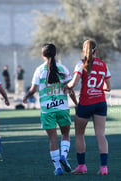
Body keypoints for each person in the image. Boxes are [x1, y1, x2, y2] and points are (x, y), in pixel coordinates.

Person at [23, 43, 77, 176]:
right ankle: (64, 156)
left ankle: (58, 168)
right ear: (56, 54)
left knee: (52, 139)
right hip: (62, 108)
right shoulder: (62, 68)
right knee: (65, 135)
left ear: (42, 55)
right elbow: (70, 89)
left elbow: (33, 89)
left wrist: (26, 97)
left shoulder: (39, 70)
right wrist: (76, 103)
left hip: (47, 110)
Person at [66, 40, 111, 175]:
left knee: (79, 134)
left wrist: (65, 85)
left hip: (85, 103)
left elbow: (73, 84)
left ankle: (82, 166)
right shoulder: (103, 65)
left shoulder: (81, 64)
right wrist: (97, 88)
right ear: (96, 51)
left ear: (83, 51)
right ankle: (104, 168)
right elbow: (108, 87)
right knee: (101, 135)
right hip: (100, 103)